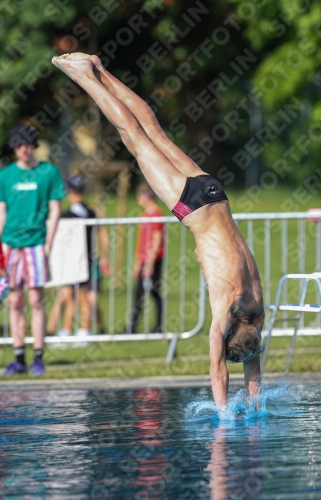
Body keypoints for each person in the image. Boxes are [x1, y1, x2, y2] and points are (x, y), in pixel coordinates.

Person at [52, 53, 264, 409]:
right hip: (191, 207)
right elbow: (217, 370)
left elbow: (253, 366)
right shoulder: (226, 309)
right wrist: (225, 415)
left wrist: (256, 403)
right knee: (132, 137)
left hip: (214, 195)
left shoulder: (257, 306)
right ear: (230, 333)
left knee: (152, 131)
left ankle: (100, 67)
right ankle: (84, 77)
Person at [0, 124, 66, 375]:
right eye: (18, 145)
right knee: (14, 300)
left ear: (33, 145)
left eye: (26, 144)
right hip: (11, 245)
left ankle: (38, 356)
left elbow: (55, 210)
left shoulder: (48, 172)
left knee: (36, 299)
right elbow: (1, 212)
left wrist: (48, 242)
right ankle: (19, 358)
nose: (23, 149)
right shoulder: (5, 176)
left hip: (36, 242)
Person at [47, 175, 109, 341]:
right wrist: (105, 256)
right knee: (72, 295)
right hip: (84, 259)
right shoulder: (91, 212)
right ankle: (65, 330)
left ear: (69, 191)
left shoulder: (67, 215)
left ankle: (82, 331)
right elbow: (103, 234)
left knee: (78, 296)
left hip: (77, 261)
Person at [128, 182, 164, 334]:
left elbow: (157, 239)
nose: (138, 200)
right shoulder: (144, 215)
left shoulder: (157, 214)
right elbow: (141, 240)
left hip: (153, 260)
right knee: (139, 293)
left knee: (153, 292)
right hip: (144, 260)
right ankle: (133, 326)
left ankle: (157, 326)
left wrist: (150, 263)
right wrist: (138, 262)